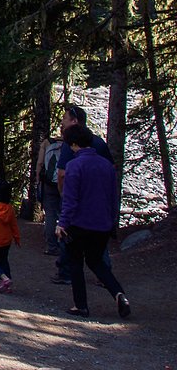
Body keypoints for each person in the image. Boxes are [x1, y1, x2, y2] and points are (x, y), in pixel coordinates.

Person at [56, 123, 131, 319]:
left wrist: (62, 223)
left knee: (75, 263)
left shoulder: (74, 166)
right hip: (102, 224)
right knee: (97, 262)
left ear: (73, 145)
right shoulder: (106, 166)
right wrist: (112, 220)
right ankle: (118, 293)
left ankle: (80, 306)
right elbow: (114, 198)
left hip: (79, 224)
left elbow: (70, 199)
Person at [52, 103, 114, 285]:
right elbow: (111, 169)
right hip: (99, 198)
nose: (62, 123)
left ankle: (66, 272)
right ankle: (104, 273)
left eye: (64, 119)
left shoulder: (70, 143)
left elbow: (62, 173)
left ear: (75, 121)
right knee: (99, 234)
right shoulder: (99, 142)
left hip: (77, 196)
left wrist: (63, 193)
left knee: (67, 233)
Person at [37, 133, 64, 255]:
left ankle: (51, 246)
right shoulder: (71, 143)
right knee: (65, 211)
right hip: (65, 182)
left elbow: (40, 163)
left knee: (50, 214)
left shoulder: (47, 143)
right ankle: (65, 243)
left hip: (49, 183)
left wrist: (38, 179)